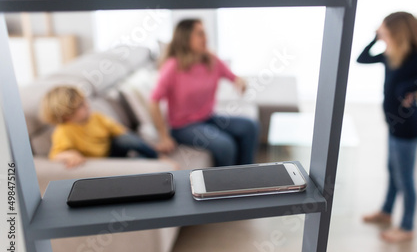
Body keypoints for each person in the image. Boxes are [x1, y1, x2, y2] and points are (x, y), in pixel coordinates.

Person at [357, 12, 417, 243]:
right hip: (395, 126)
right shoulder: (391, 54)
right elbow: (361, 59)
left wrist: (408, 87)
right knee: (392, 171)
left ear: (395, 31)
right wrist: (375, 39)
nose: (381, 30)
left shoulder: (414, 57)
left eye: (384, 28)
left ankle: (407, 227)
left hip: (408, 128)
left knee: (405, 178)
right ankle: (386, 212)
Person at [150, 19, 259, 167]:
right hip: (183, 127)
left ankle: (246, 174)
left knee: (250, 126)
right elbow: (153, 101)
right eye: (200, 34)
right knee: (225, 145)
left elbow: (234, 78)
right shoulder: (173, 67)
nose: (206, 38)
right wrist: (164, 137)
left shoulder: (211, 59)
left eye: (205, 33)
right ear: (186, 38)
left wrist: (241, 83)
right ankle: (229, 186)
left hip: (208, 118)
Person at [41, 86, 159, 168]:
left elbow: (120, 131)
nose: (87, 105)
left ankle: (157, 156)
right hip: (104, 161)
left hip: (113, 149)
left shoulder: (96, 117)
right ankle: (153, 163)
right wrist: (69, 155)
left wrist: (133, 141)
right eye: (81, 105)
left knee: (125, 139)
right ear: (67, 116)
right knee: (139, 161)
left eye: (85, 101)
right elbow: (55, 155)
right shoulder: (63, 131)